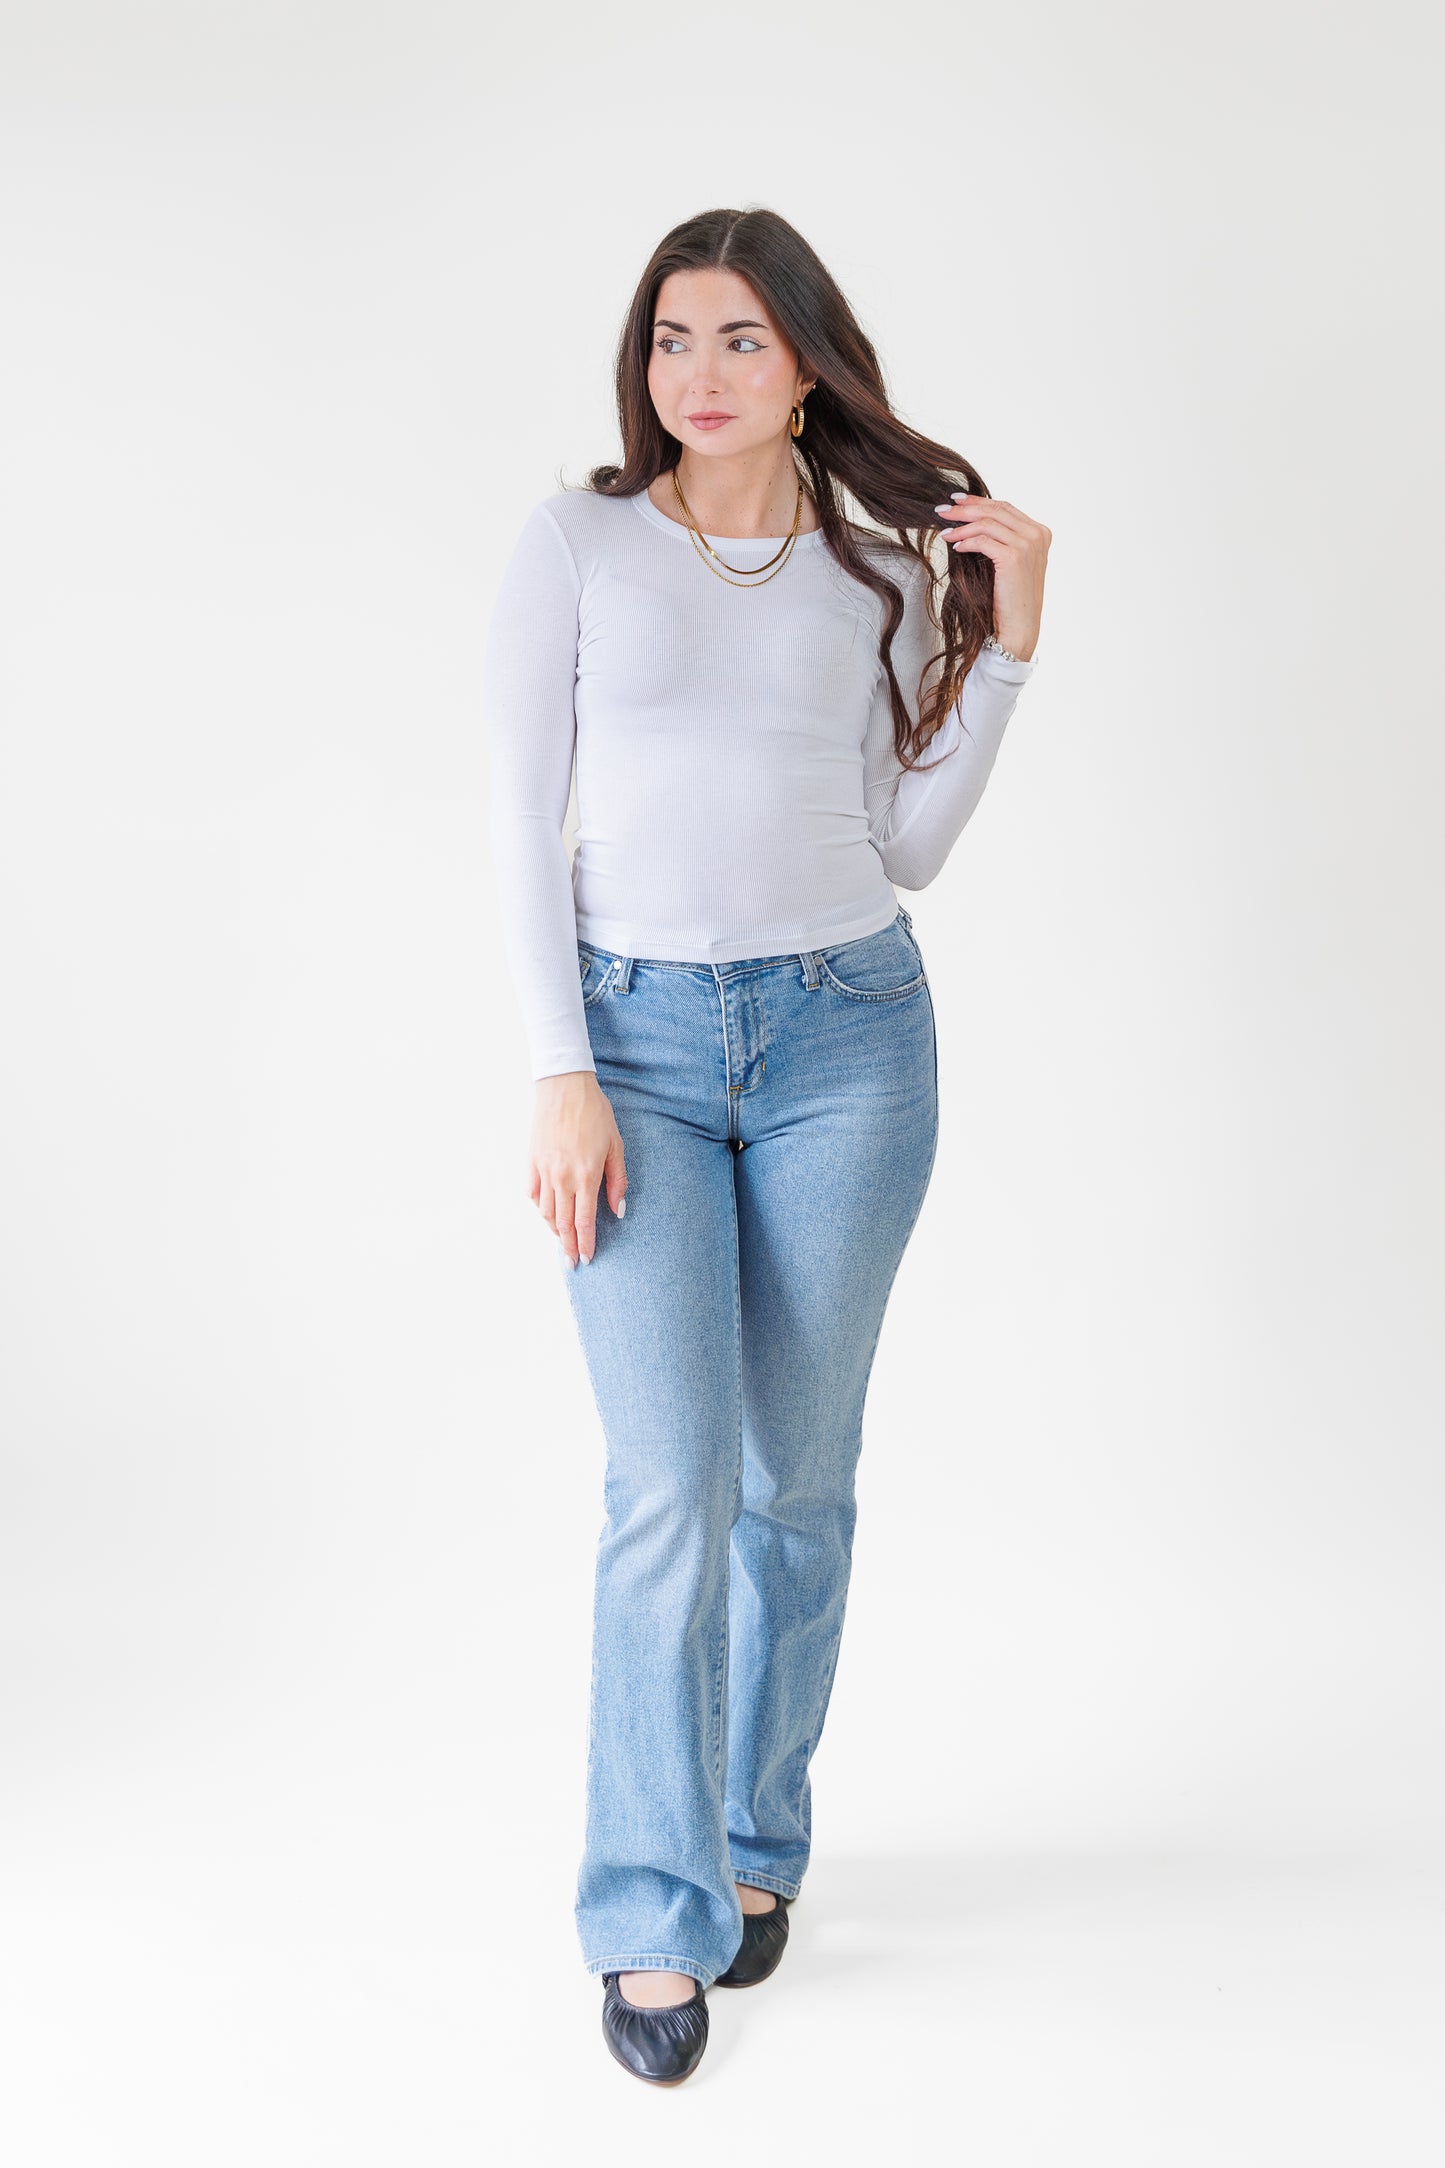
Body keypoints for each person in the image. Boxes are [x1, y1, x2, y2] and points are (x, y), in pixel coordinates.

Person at [484, 204, 1050, 2086]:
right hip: (633, 1047)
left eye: (738, 338)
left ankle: (752, 1842)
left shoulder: (870, 572)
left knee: (794, 1482)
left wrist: (1005, 650)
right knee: (668, 1485)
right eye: (672, 338)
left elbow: (905, 848)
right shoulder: (576, 546)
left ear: (806, 360)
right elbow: (517, 822)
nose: (699, 374)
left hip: (847, 1041)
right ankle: (647, 1913)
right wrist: (559, 1069)